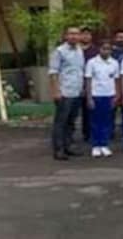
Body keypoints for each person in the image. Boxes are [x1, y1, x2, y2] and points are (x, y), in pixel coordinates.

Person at [49, 26, 86, 160]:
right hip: (64, 92)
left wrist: (82, 88)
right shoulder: (59, 51)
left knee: (71, 121)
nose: (74, 36)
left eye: (76, 34)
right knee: (61, 122)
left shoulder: (79, 50)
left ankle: (68, 146)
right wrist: (56, 91)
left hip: (76, 91)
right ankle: (58, 150)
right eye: (71, 34)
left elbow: (80, 71)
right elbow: (53, 73)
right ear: (65, 36)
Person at [84, 40, 120, 157]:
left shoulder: (114, 63)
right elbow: (88, 80)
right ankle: (96, 145)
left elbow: (116, 80)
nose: (106, 51)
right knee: (95, 121)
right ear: (99, 49)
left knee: (107, 121)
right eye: (104, 48)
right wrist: (89, 98)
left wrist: (116, 95)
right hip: (96, 95)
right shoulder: (92, 62)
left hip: (109, 95)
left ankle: (104, 144)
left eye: (108, 49)